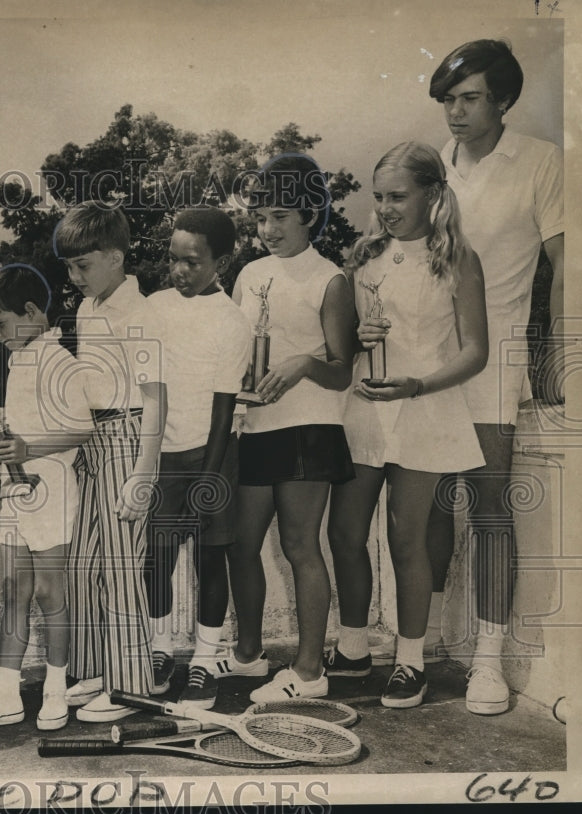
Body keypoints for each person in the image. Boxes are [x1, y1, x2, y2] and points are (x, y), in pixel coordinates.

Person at [420, 39, 564, 715]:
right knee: (420, 508)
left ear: (504, 100)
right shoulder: (432, 166)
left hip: (496, 359)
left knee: (490, 512)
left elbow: (570, 267)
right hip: (422, 363)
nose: (456, 111)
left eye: (470, 97)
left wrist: (560, 358)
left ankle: (487, 662)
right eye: (448, 99)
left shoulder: (540, 161)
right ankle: (414, 651)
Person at [325, 142, 488, 708]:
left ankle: (410, 662)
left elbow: (476, 353)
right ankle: (351, 648)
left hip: (424, 410)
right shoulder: (363, 255)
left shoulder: (458, 259)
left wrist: (418, 385)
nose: (387, 208)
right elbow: (339, 343)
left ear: (433, 195)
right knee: (343, 533)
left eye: (399, 196)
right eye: (379, 197)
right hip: (364, 409)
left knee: (405, 538)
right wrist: (356, 339)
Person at [222, 155, 356, 703]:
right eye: (260, 218)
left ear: (310, 213)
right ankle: (249, 656)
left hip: (309, 427)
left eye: (280, 216)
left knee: (301, 546)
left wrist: (303, 362)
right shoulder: (251, 275)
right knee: (240, 543)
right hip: (255, 427)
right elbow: (234, 352)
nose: (269, 229)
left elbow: (342, 370)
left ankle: (308, 673)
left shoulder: (331, 279)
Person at [0, 265, 92, 732]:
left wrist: (32, 450)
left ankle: (55, 690)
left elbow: (84, 431)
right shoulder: (16, 360)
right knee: (13, 591)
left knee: (51, 594)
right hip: (17, 490)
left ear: (32, 312)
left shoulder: (63, 362)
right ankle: (6, 695)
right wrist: (3, 472)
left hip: (52, 489)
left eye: (0, 323)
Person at [54, 202, 167, 723]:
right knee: (83, 565)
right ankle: (100, 668)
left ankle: (131, 684)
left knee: (122, 566)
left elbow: (156, 399)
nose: (74, 277)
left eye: (84, 265)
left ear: (117, 257)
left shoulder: (139, 313)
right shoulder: (87, 309)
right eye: (69, 267)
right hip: (94, 443)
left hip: (129, 438)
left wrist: (143, 474)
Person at [142, 206, 252, 710]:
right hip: (162, 455)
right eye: (173, 259)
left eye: (192, 261)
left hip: (213, 456)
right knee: (157, 559)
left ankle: (206, 661)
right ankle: (160, 650)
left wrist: (209, 476)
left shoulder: (232, 321)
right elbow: (147, 389)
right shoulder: (155, 307)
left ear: (220, 264)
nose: (179, 271)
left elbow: (225, 404)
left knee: (211, 560)